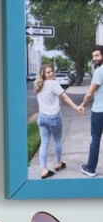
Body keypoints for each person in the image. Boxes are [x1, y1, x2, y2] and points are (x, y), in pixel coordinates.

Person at [34, 64, 83, 179]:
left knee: (44, 143)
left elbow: (46, 99)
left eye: (52, 71)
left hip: (42, 118)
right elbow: (65, 97)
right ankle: (58, 163)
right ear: (43, 74)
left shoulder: (38, 85)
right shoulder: (53, 84)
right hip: (53, 118)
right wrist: (76, 108)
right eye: (48, 72)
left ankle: (44, 169)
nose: (51, 74)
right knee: (57, 141)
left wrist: (57, 102)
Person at [81, 45, 103, 177]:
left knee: (95, 140)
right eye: (93, 56)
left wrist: (82, 104)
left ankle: (90, 169)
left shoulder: (99, 71)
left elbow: (90, 93)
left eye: (97, 55)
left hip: (99, 113)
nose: (94, 58)